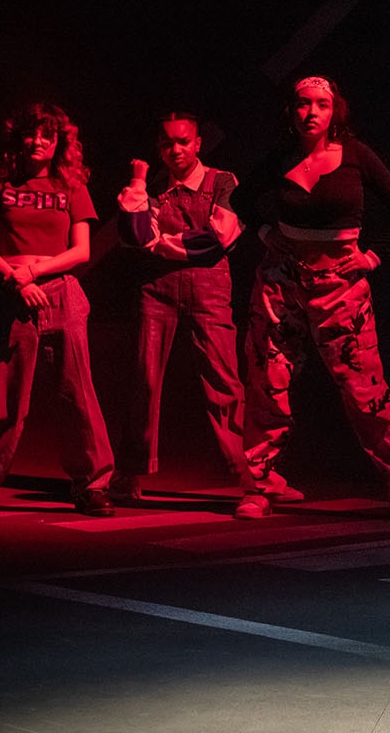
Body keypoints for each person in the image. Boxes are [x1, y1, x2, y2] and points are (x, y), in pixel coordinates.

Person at [232, 75, 390, 523]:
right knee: (267, 379)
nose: (310, 113)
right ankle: (261, 484)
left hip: (340, 284)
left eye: (320, 104)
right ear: (292, 109)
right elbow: (241, 198)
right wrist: (266, 234)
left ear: (333, 109)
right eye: (303, 104)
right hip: (281, 281)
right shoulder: (281, 155)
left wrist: (372, 258)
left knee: (365, 391)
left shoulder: (356, 155)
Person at [0, 102, 116, 517]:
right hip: (9, 296)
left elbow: (81, 251)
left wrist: (34, 272)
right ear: (18, 138)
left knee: (77, 394)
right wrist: (15, 280)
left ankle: (92, 485)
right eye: (31, 133)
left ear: (59, 143)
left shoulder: (71, 187)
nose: (38, 141)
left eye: (47, 136)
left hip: (60, 292)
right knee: (0, 398)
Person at [111, 112, 260, 504]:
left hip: (209, 287)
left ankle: (249, 476)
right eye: (166, 144)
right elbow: (136, 236)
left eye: (182, 142)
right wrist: (139, 183)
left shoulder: (222, 181)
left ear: (197, 143)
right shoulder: (153, 186)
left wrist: (162, 243)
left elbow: (217, 239)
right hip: (156, 289)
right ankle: (129, 472)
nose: (174, 150)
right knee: (143, 378)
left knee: (224, 380)